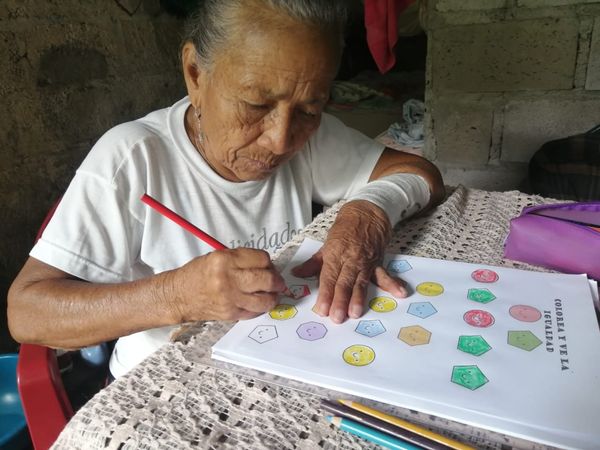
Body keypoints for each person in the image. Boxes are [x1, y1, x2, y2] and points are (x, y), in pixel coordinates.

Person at [8, 0, 444, 378]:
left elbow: (418, 172)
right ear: (195, 74)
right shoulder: (133, 157)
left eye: (310, 109)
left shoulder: (310, 137)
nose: (280, 140)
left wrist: (367, 211)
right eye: (256, 104)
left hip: (280, 359)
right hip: (166, 384)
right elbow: (27, 314)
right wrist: (176, 296)